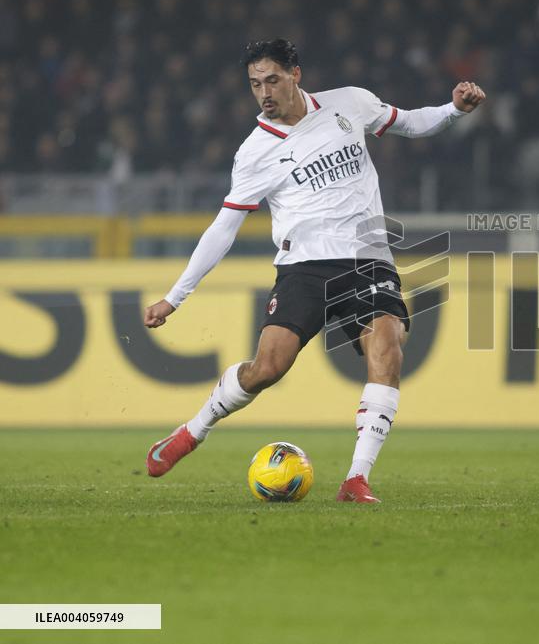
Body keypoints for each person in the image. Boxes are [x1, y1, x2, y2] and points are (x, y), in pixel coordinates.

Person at [143, 39, 486, 503]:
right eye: (254, 84)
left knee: (387, 349)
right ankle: (192, 431)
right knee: (268, 368)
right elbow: (223, 228)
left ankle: (356, 478)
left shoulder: (351, 103)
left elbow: (409, 122)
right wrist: (174, 296)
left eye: (272, 80)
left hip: (368, 258)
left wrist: (454, 109)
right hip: (304, 267)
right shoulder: (255, 152)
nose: (264, 92)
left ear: (296, 74)